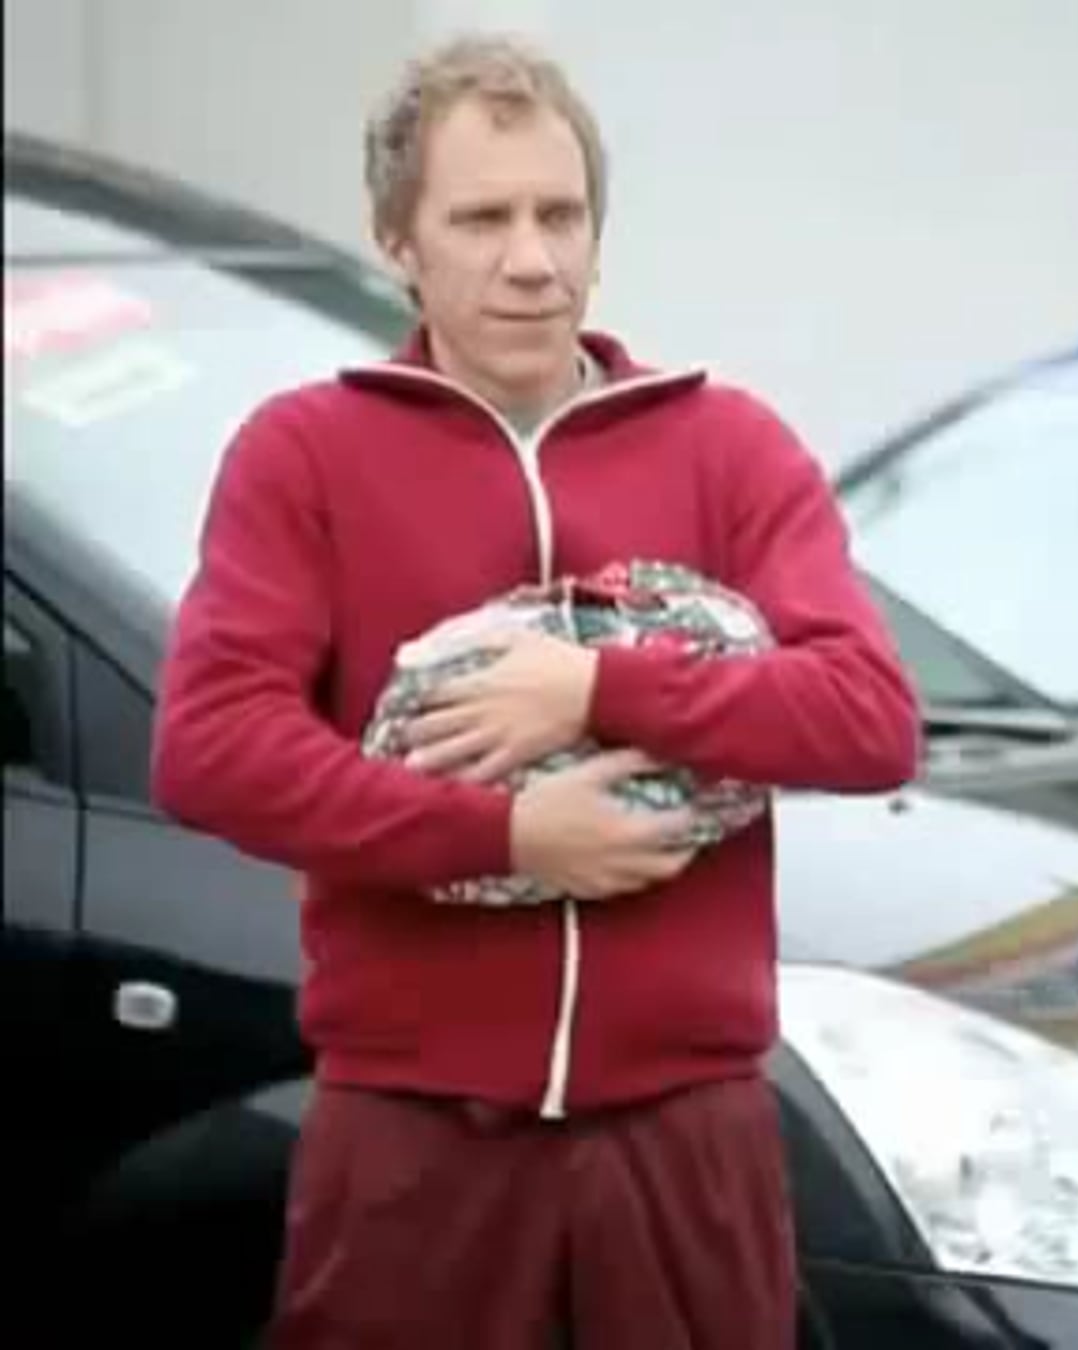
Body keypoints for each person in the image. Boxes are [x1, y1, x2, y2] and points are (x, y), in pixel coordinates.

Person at [149, 31, 921, 1349]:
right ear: (399, 241)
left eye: (560, 216)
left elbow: (869, 718)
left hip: (689, 1140)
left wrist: (596, 686)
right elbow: (213, 748)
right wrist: (507, 836)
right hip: (414, 1143)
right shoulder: (305, 455)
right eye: (483, 219)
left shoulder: (727, 446)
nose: (531, 259)